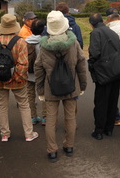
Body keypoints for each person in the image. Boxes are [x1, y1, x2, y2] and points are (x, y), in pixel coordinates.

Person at [35, 11, 87, 162]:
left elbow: (38, 68)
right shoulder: (74, 43)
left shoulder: (44, 46)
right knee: (70, 118)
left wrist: (40, 90)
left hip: (50, 88)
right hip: (71, 86)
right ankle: (69, 146)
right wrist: (82, 85)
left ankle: (52, 150)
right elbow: (81, 65)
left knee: (50, 120)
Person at [0, 13, 38, 143]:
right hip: (18, 81)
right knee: (24, 105)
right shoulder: (20, 42)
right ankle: (28, 134)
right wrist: (16, 77)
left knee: (2, 106)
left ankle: (4, 134)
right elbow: (23, 64)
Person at [88, 13, 120, 140]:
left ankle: (99, 130)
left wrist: (91, 66)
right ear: (102, 21)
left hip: (103, 73)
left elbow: (95, 53)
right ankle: (109, 129)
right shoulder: (113, 33)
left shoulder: (96, 33)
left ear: (91, 24)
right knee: (113, 101)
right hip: (116, 71)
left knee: (101, 101)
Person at [26, 18, 47, 126]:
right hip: (42, 74)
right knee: (44, 94)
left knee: (30, 94)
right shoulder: (44, 42)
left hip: (29, 73)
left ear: (31, 29)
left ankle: (33, 117)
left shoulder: (25, 41)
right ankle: (45, 117)